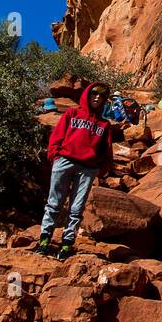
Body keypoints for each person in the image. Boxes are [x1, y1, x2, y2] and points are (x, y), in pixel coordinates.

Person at [33, 81, 115, 261]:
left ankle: (66, 245)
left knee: (76, 208)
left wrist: (101, 168)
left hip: (87, 168)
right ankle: (44, 241)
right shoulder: (72, 113)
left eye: (101, 96)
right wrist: (54, 155)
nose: (97, 97)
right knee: (54, 203)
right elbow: (57, 135)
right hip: (64, 161)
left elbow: (106, 151)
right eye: (94, 93)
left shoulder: (104, 125)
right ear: (87, 94)